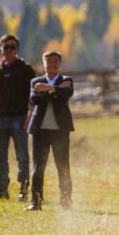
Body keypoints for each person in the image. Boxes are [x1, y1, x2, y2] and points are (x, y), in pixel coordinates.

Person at [0, 34, 36, 202]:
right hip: (0, 119)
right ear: (1, 49)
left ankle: (24, 190)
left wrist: (29, 118)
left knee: (22, 157)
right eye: (6, 47)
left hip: (20, 118)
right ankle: (2, 189)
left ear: (17, 49)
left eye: (12, 47)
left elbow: (33, 96)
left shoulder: (26, 70)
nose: (9, 50)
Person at [26, 50, 75, 211]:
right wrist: (55, 90)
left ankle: (66, 200)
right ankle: (36, 200)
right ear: (44, 64)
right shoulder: (35, 81)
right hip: (41, 131)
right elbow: (35, 99)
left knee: (63, 166)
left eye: (55, 62)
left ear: (59, 64)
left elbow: (67, 93)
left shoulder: (67, 80)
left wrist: (47, 89)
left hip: (60, 131)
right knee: (38, 167)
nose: (52, 65)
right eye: (49, 62)